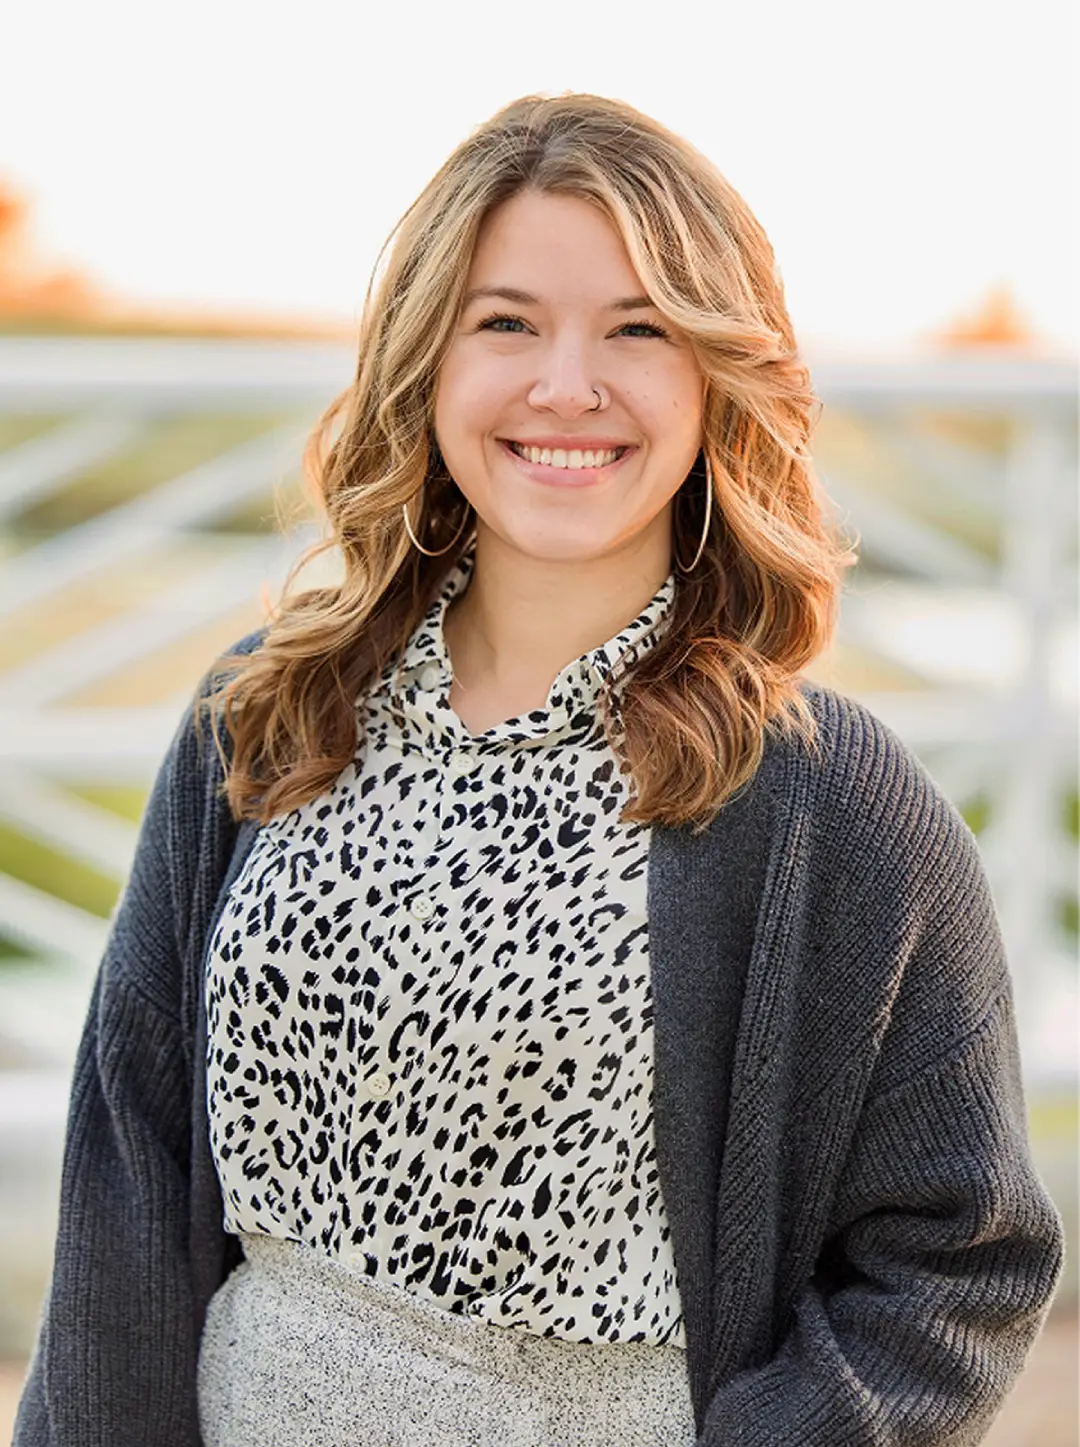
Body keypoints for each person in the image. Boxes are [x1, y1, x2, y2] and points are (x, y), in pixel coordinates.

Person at [15, 92, 1063, 1447]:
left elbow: (956, 1263)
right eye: (506, 322)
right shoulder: (267, 708)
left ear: (714, 376)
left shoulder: (828, 806)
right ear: (427, 361)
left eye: (639, 329)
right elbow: (130, 1165)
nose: (568, 385)